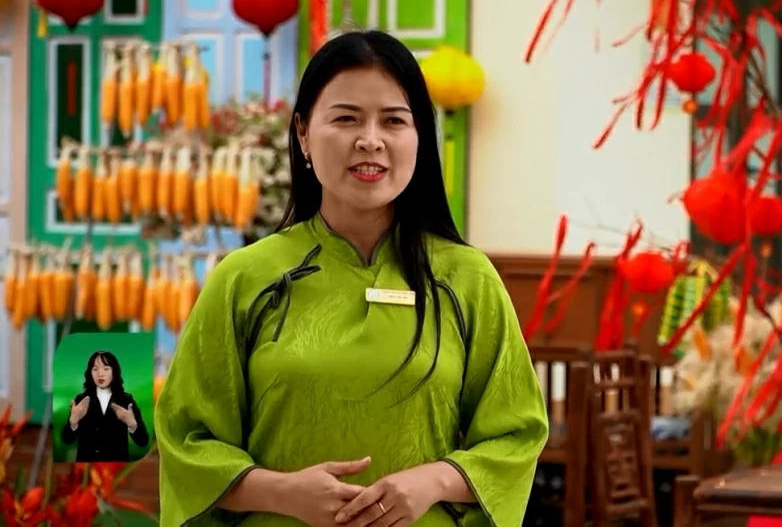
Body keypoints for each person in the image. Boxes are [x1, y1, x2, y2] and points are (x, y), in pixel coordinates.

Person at [155, 30, 549, 527]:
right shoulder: (243, 278)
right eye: (346, 118)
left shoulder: (468, 279)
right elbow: (186, 439)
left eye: (394, 120)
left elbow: (517, 435)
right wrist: (283, 493)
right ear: (303, 133)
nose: (370, 140)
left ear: (420, 137)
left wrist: (435, 480)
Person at [61, 350, 149, 463]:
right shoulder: (81, 400)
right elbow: (66, 440)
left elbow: (143, 441)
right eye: (95, 369)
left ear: (114, 372)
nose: (100, 374)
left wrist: (132, 424)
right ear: (90, 373)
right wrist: (73, 421)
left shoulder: (125, 400)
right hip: (86, 467)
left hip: (116, 467)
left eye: (106, 369)